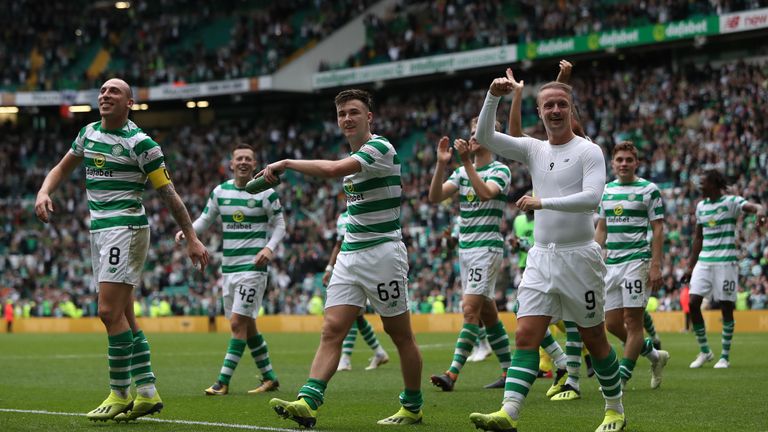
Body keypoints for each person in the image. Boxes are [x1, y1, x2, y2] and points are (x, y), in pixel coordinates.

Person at [34, 78, 209, 422]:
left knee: (108, 313)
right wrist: (44, 191)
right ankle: (146, 392)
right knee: (125, 315)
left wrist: (191, 236)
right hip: (99, 232)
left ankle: (119, 393)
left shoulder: (141, 143)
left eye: (114, 91)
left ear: (130, 103)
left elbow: (168, 193)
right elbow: (61, 168)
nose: (105, 95)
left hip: (126, 229)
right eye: (102, 91)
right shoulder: (87, 134)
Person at [469, 70, 625, 432]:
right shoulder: (533, 148)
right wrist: (493, 96)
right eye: (548, 105)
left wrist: (542, 202)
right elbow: (484, 136)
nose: (555, 110)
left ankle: (615, 410)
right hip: (541, 257)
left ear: (571, 110)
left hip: (580, 258)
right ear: (539, 111)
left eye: (561, 104)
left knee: (595, 338)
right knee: (525, 335)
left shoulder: (589, 150)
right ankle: (508, 412)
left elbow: (591, 199)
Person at [261, 89, 423, 427]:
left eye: (353, 112)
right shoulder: (356, 157)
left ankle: (412, 406)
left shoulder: (380, 147)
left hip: (383, 253)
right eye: (341, 114)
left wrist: (287, 162)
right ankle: (309, 400)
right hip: (351, 254)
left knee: (400, 335)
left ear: (369, 117)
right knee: (332, 329)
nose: (347, 119)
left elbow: (333, 169)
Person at [175, 143, 285, 396]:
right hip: (229, 269)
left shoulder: (266, 193)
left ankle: (222, 382)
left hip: (253, 269)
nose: (244, 162)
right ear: (232, 164)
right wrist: (188, 231)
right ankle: (269, 377)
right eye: (240, 158)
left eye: (249, 158)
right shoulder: (220, 192)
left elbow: (280, 225)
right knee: (248, 325)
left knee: (237, 323)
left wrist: (269, 248)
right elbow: (206, 219)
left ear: (255, 165)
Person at [427, 117, 513, 391]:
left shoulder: (501, 170)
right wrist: (442, 163)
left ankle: (452, 374)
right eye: (472, 131)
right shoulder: (462, 172)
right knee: (488, 313)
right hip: (466, 250)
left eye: (480, 132)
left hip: (486, 248)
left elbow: (486, 193)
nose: (473, 136)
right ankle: (510, 370)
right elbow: (435, 196)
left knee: (469, 310)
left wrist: (465, 162)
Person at [594, 141, 670, 389]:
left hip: (637, 262)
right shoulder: (606, 191)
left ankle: (622, 377)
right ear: (613, 163)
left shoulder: (649, 190)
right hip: (612, 264)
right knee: (612, 323)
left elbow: (658, 229)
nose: (624, 164)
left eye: (629, 160)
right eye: (620, 160)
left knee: (633, 321)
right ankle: (654, 355)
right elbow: (602, 228)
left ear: (636, 163)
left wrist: (656, 265)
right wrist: (594, 257)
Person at [684, 169, 766, 369]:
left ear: (714, 184)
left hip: (726, 262)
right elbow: (698, 238)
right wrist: (690, 265)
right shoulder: (701, 206)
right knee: (693, 303)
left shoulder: (731, 202)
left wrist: (761, 213)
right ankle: (705, 351)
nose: (700, 186)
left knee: (726, 306)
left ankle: (725, 357)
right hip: (704, 261)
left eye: (703, 183)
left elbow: (756, 207)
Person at [324, 209, 390, 372]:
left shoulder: (369, 211)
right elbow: (339, 244)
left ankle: (346, 359)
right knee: (356, 316)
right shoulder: (342, 218)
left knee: (354, 314)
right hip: (349, 269)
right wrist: (329, 267)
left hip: (368, 266)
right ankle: (378, 353)